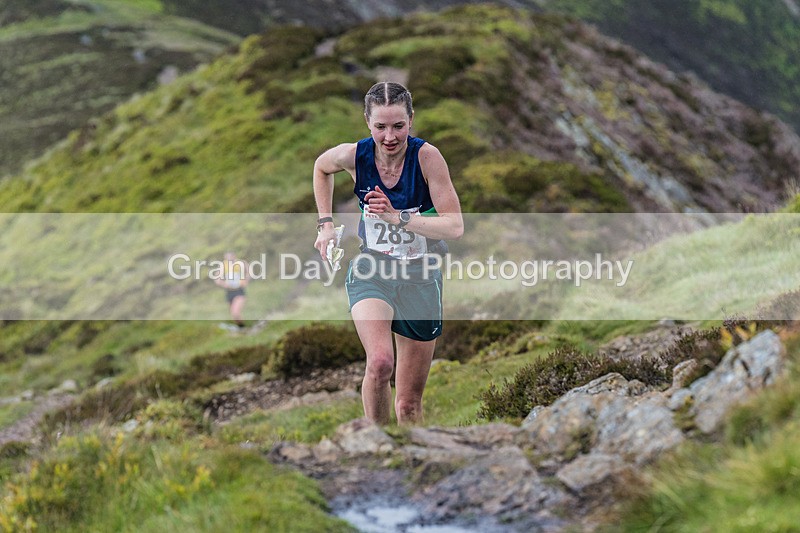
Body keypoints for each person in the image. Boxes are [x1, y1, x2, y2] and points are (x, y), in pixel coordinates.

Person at [313, 82, 463, 425]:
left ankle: (408, 464)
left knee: (409, 404)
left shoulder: (427, 158)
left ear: (411, 120)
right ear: (368, 122)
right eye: (380, 126)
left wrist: (398, 217)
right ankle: (376, 447)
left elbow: (454, 226)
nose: (390, 136)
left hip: (420, 276)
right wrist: (325, 224)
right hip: (372, 270)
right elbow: (321, 168)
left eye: (398, 126)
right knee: (380, 363)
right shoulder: (355, 155)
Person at [214, 252, 248, 328]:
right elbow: (217, 279)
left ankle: (243, 328)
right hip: (229, 291)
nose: (229, 260)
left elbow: (249, 273)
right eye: (227, 258)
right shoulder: (223, 265)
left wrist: (245, 281)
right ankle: (242, 328)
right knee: (234, 315)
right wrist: (224, 284)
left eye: (230, 257)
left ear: (234, 256)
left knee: (235, 312)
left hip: (239, 290)